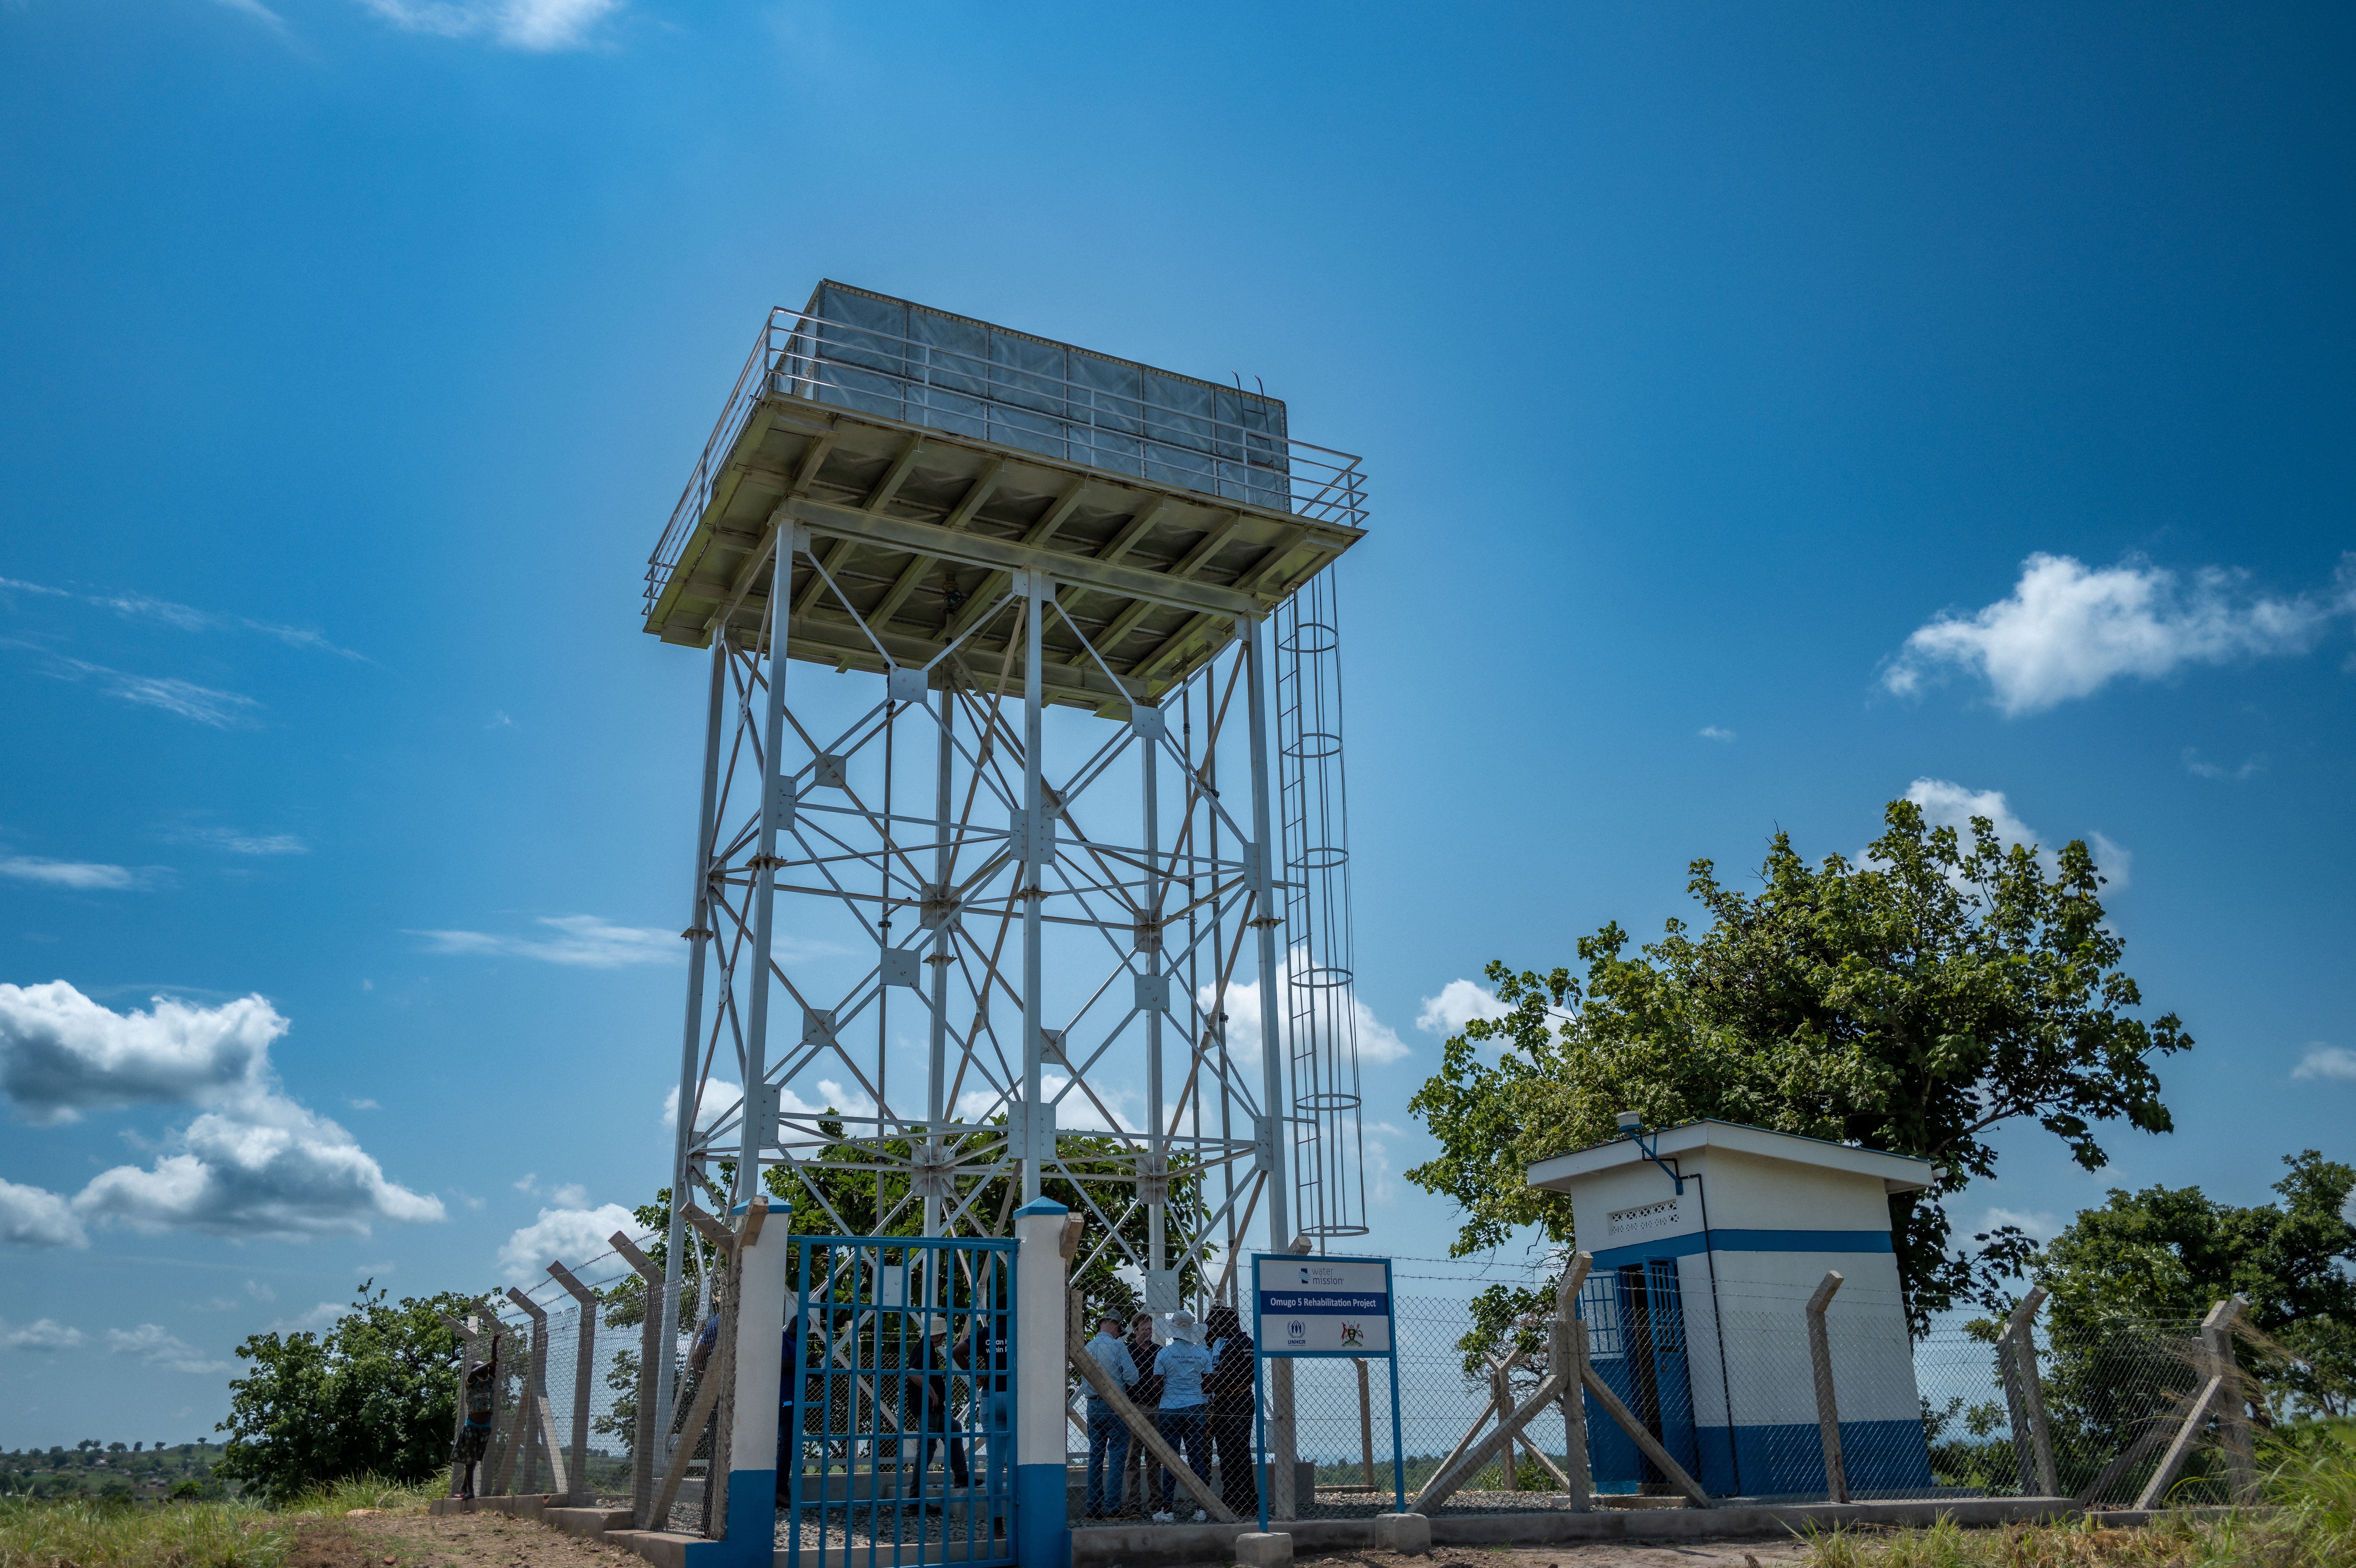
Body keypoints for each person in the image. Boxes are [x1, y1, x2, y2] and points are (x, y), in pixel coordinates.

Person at [1150, 1309, 1213, 1523]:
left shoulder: (1164, 1354)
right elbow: (1209, 1383)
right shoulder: (1202, 1353)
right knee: (1197, 1458)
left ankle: (1167, 1510)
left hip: (1169, 1408)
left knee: (1170, 1459)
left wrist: (1170, 1386)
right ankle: (1201, 1508)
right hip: (1195, 1407)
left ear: (1173, 1328)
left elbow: (1157, 1385)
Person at [1081, 1311, 1137, 1519]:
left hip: (1092, 1405)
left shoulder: (1087, 1348)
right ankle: (1113, 1506)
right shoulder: (1118, 1347)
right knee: (1117, 1456)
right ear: (1115, 1326)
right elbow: (1133, 1378)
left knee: (1095, 1456)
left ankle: (1093, 1506)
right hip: (1115, 1405)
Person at [1204, 1304, 1258, 1518]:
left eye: (1218, 1324)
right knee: (1240, 1450)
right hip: (1244, 1398)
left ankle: (1238, 1498)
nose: (1216, 1329)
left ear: (1228, 1323)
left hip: (1230, 1401)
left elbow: (1223, 1375)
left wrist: (1208, 1382)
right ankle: (1242, 1497)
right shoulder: (1249, 1344)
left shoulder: (1232, 1346)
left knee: (1231, 1452)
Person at [912, 1315, 969, 1487]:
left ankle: (963, 1477)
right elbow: (913, 1372)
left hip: (934, 1408)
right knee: (927, 1450)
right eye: (944, 1335)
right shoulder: (926, 1350)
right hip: (928, 1407)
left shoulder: (923, 1347)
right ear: (938, 1336)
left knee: (954, 1429)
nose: (945, 1339)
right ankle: (916, 1497)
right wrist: (932, 1393)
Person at [450, 1332, 501, 1500]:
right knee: (470, 1459)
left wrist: (495, 1343)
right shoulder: (470, 1383)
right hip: (472, 1426)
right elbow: (480, 1369)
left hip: (485, 1428)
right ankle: (470, 1491)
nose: (486, 1371)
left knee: (475, 1458)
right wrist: (487, 1363)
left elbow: (493, 1365)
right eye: (483, 1369)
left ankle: (465, 1486)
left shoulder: (489, 1382)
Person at [1122, 1310, 1162, 1514]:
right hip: (1136, 1406)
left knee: (1155, 1457)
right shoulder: (1128, 1352)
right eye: (1145, 1329)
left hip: (1156, 1406)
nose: (1149, 1332)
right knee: (1133, 1457)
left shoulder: (1159, 1351)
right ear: (1135, 1330)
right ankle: (1134, 1501)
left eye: (1150, 1329)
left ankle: (1156, 1501)